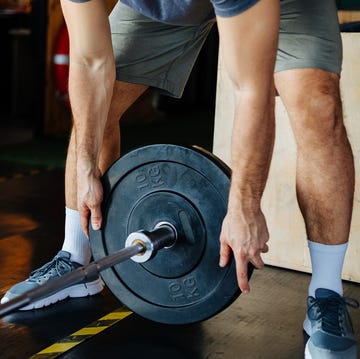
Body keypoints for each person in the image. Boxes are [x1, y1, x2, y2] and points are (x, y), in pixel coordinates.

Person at [1, 0, 358, 357]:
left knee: (318, 105)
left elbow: (252, 89)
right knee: (99, 104)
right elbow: (89, 62)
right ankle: (76, 260)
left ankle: (326, 293)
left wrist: (244, 204)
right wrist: (84, 164)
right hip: (163, 7)